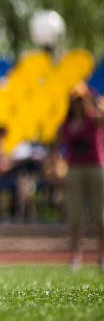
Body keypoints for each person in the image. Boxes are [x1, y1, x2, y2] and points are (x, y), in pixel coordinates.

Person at [58, 83, 104, 270]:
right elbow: (56, 145)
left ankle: (101, 254)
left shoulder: (95, 120)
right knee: (75, 216)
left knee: (99, 215)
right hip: (74, 169)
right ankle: (76, 256)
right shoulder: (66, 124)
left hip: (95, 168)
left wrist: (95, 103)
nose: (78, 104)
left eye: (81, 100)